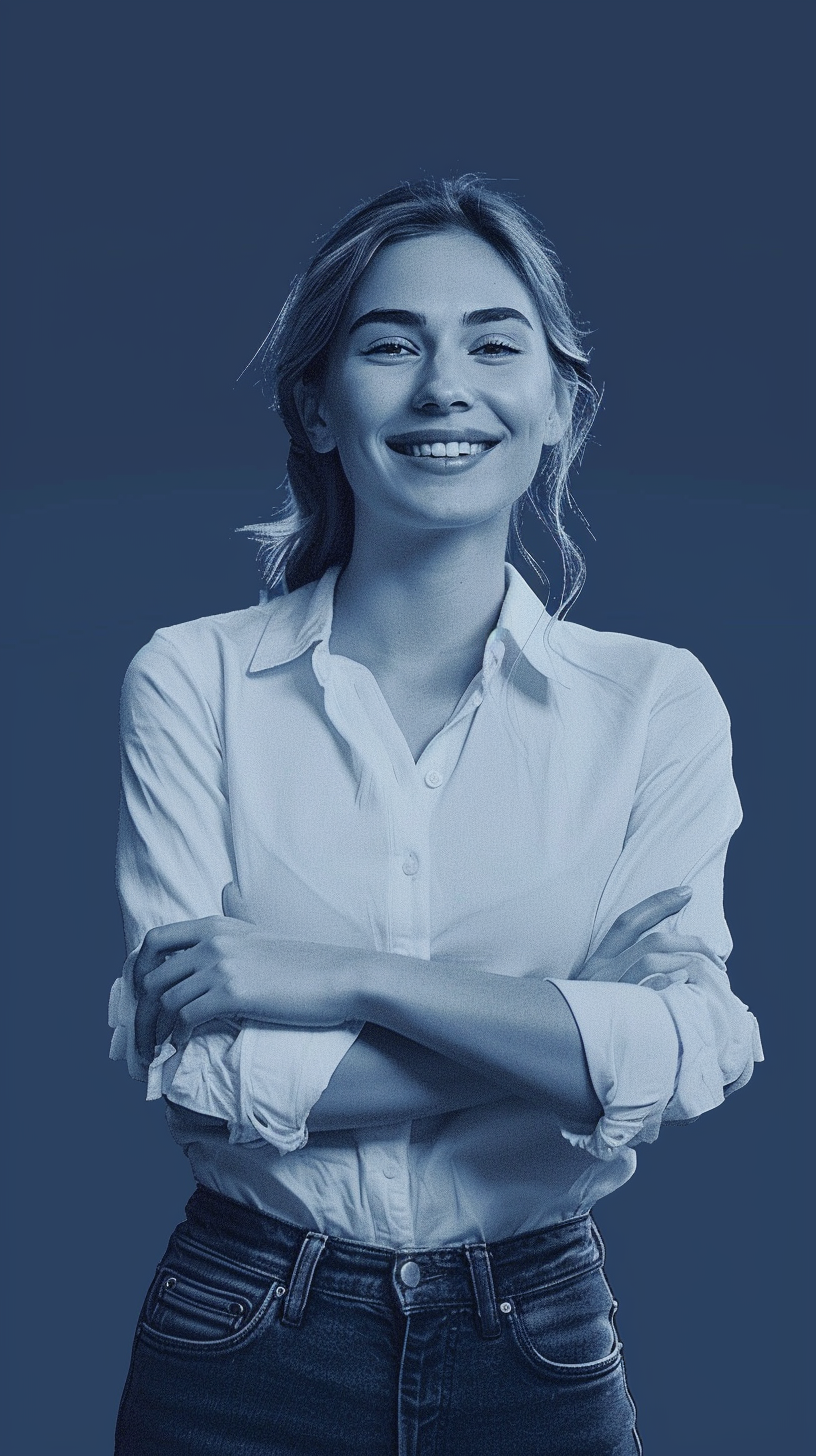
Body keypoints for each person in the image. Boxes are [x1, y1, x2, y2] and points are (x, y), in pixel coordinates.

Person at [109, 176, 762, 1455]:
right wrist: (570, 1038)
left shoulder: (654, 699)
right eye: (391, 342)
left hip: (539, 1331)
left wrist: (339, 977)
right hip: (239, 1328)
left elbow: (700, 1041)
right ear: (316, 400)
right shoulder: (189, 679)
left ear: (560, 407)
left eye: (495, 343)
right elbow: (203, 1068)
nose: (443, 387)